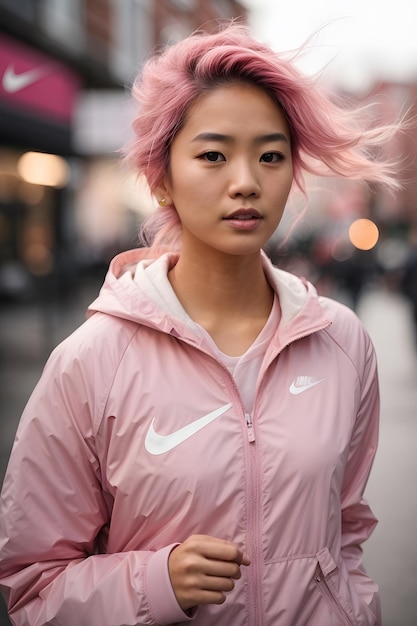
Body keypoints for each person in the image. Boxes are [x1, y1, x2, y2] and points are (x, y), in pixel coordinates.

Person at [0, 20, 403, 626]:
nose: (245, 182)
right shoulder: (92, 361)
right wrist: (155, 583)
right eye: (213, 155)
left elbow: (344, 537)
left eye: (271, 156)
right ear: (160, 175)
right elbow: (32, 586)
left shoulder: (342, 343)